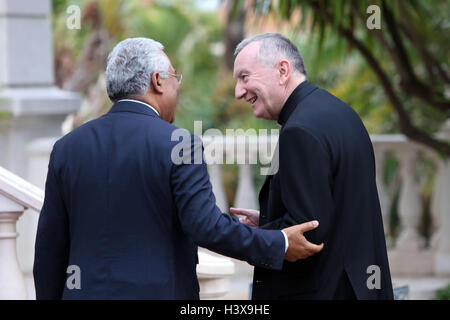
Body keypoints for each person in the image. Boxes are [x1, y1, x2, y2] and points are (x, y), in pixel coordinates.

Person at [33, 37, 324, 300]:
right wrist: (279, 242)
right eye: (175, 77)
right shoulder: (180, 143)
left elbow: (49, 251)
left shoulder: (67, 148)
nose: (177, 86)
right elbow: (206, 227)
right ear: (158, 82)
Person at [231, 33, 393, 300]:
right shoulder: (340, 113)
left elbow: (308, 234)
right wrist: (270, 220)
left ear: (283, 71)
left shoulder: (299, 131)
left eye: (245, 77)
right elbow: (330, 207)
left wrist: (250, 235)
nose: (238, 92)